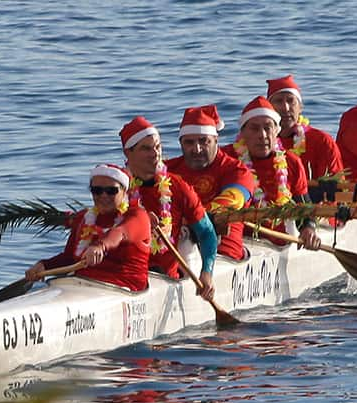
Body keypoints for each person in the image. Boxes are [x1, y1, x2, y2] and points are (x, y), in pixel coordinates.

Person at [119, 116, 218, 299]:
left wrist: (207, 272)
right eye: (146, 149)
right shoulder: (115, 188)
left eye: (157, 147)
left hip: (164, 279)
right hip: (127, 278)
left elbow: (206, 233)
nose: (154, 153)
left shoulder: (177, 186)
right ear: (128, 153)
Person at [25, 164, 150, 291]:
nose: (104, 196)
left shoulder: (138, 216)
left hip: (123, 289)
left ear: (124, 192)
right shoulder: (84, 219)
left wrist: (100, 246)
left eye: (111, 191)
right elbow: (69, 259)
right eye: (97, 190)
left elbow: (120, 233)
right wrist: (44, 266)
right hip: (83, 287)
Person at [222, 96, 320, 250]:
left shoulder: (291, 162)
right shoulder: (226, 159)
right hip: (239, 243)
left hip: (277, 246)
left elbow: (303, 205)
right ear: (243, 133)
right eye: (255, 128)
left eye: (268, 128)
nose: (262, 135)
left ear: (276, 131)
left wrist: (309, 228)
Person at [165, 105, 256, 261]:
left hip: (223, 252)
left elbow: (233, 199)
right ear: (180, 143)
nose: (197, 149)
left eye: (203, 141)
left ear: (216, 140)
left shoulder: (236, 170)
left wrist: (192, 219)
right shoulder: (168, 170)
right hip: (174, 248)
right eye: (189, 142)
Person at [265, 74, 343, 182]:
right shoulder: (261, 142)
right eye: (278, 101)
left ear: (300, 107)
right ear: (269, 108)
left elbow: (337, 185)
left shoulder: (321, 141)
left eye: (290, 101)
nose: (285, 108)